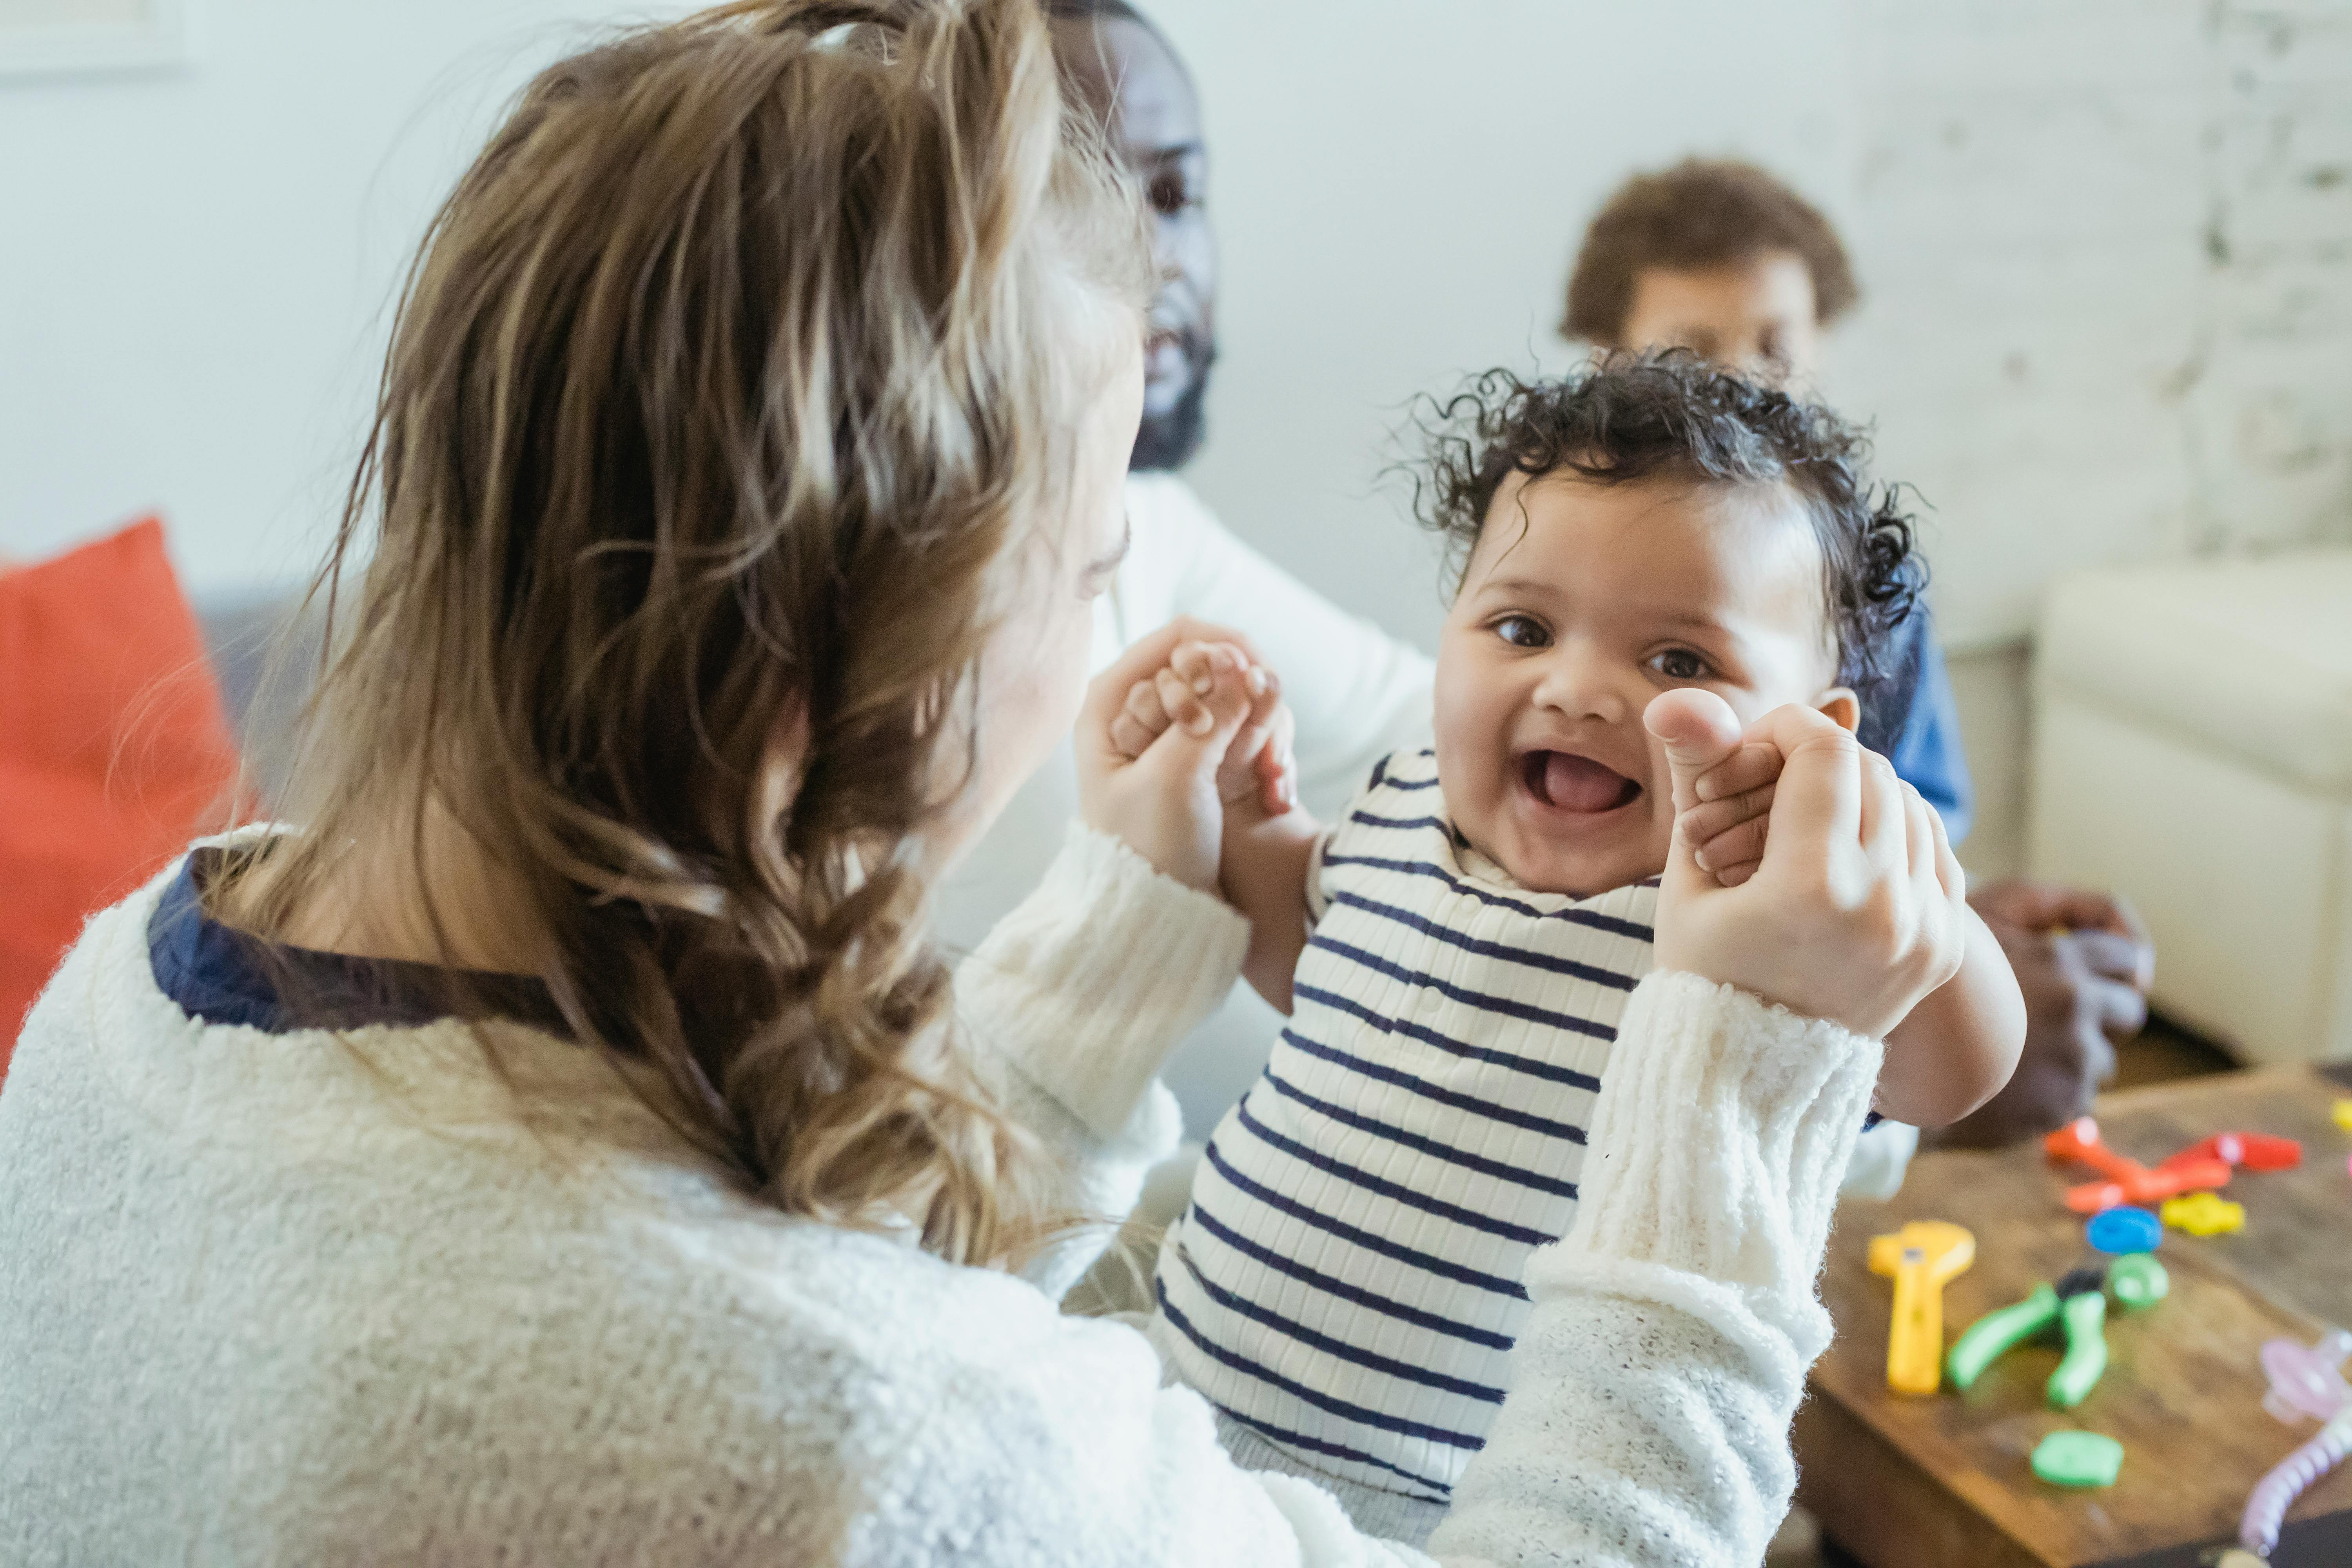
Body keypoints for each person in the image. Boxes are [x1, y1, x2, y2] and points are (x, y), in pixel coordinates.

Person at [0, 4, 1975, 1564]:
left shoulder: (118, 1003)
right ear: (876, 618)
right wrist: (1730, 1074)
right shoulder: (865, 1438)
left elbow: (859, 1264)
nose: (1122, 586)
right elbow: (875, 1389)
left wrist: (1135, 916)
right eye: (1096, 533)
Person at [1118, 359, 2024, 1540]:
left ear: (1811, 729)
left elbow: (1958, 1070)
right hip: (1169, 1399)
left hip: (1439, 1509)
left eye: (1681, 662)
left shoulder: (1746, 948)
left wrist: (1906, 904)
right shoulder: (1403, 809)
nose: (1580, 687)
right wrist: (1237, 800)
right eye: (1523, 626)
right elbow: (1301, 955)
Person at [1561, 158, 2156, 1147]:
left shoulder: (1876, 581)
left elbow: (1927, 804)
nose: (1743, 382)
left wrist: (1947, 913)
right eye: (1692, 350)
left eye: (1776, 347)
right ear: (1605, 362)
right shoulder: (1568, 563)